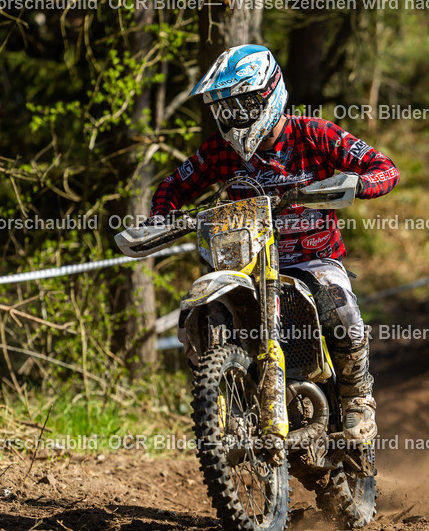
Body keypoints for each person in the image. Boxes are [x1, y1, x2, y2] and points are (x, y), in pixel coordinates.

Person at [150, 43, 399, 442]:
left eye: (243, 105)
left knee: (340, 308)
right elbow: (173, 184)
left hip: (313, 260)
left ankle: (357, 401)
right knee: (203, 313)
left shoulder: (313, 134)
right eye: (225, 108)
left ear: (269, 94)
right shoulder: (219, 151)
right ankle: (226, 399)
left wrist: (354, 183)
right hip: (244, 266)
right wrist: (162, 217)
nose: (234, 118)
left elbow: (385, 169)